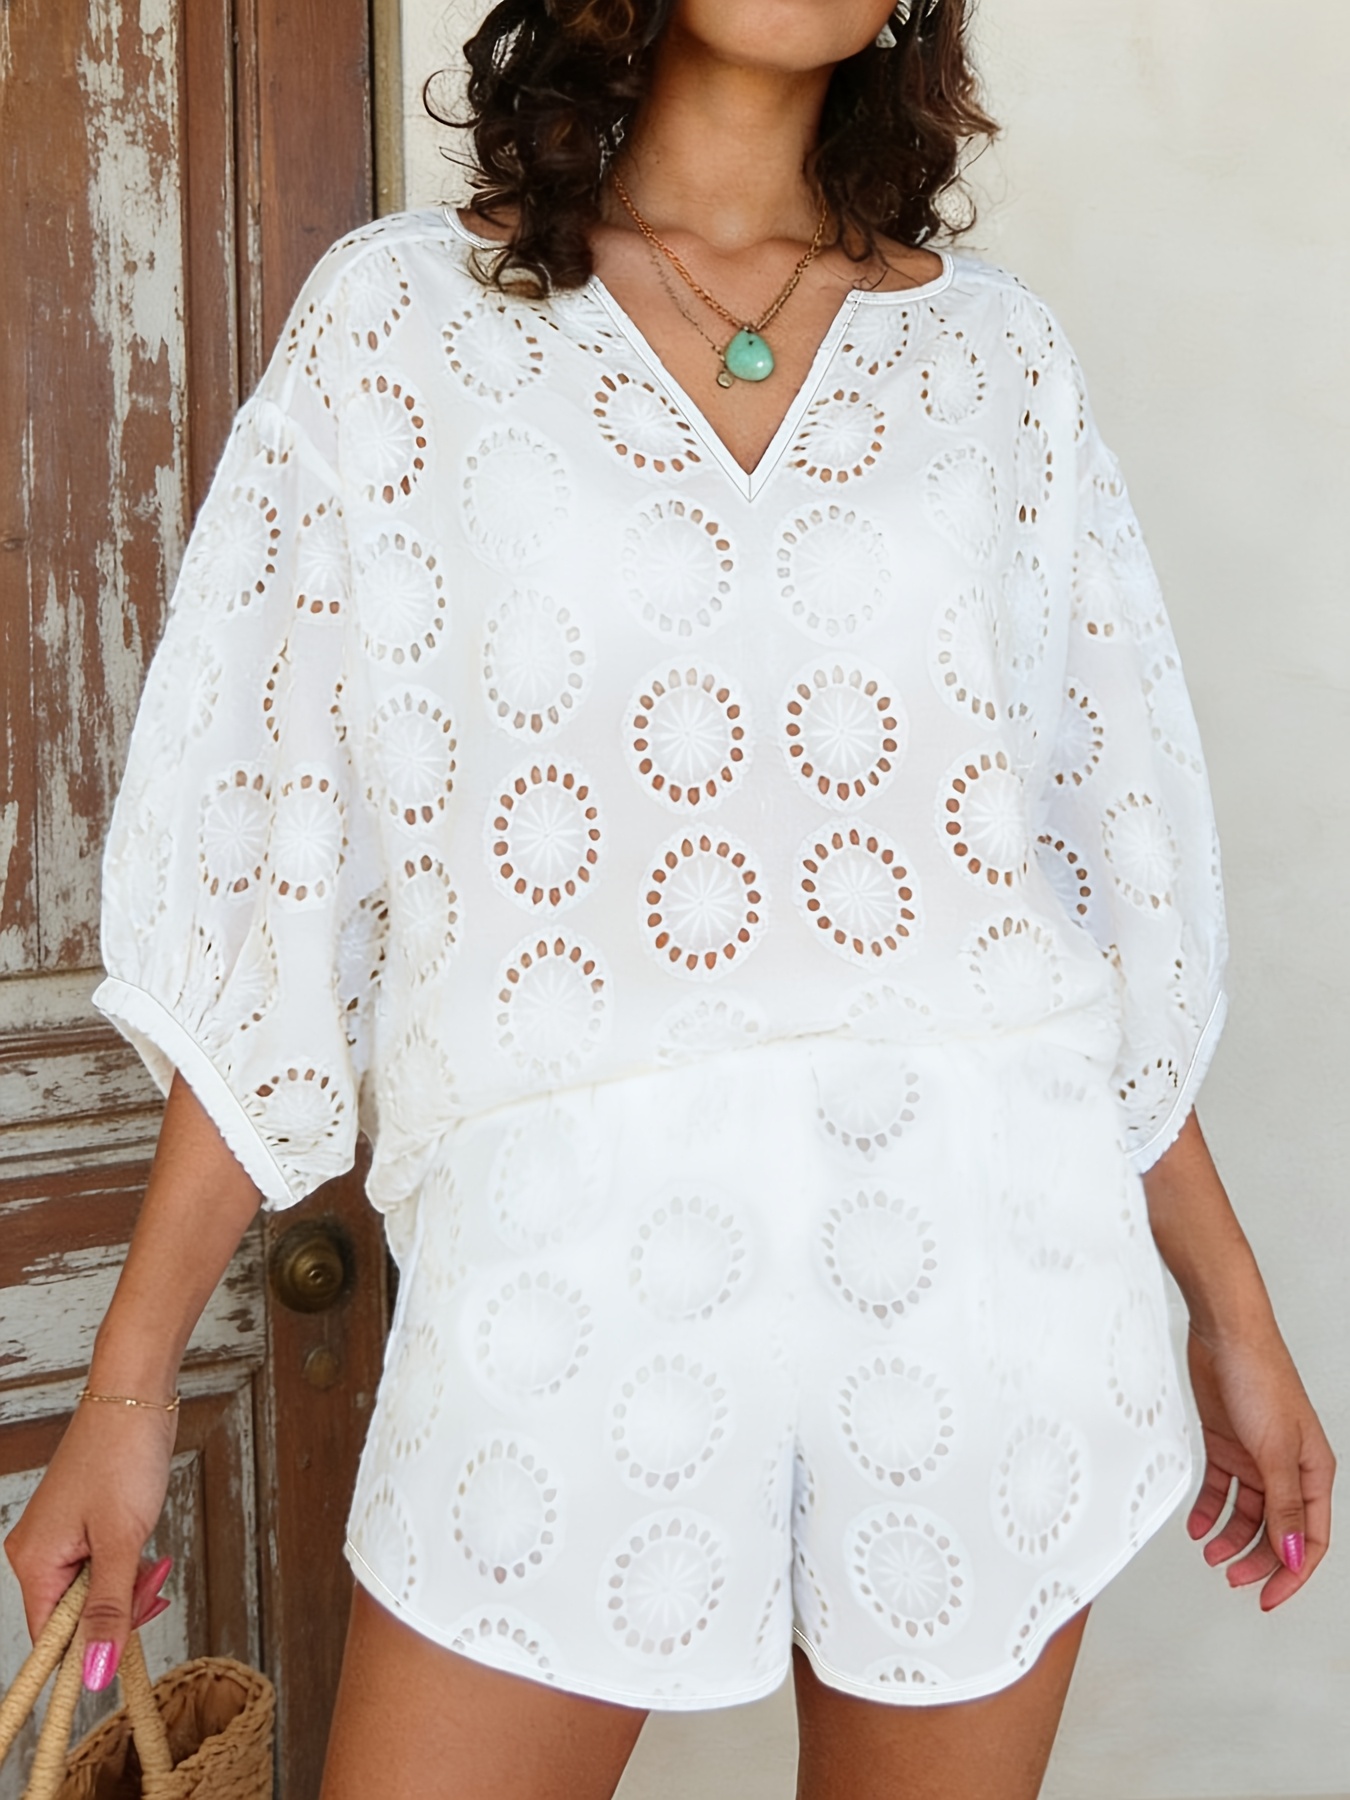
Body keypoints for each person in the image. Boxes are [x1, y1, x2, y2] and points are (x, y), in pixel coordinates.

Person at [5, 2, 1335, 1796]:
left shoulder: (996, 363)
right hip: (561, 1289)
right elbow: (277, 880)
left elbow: (1076, 898)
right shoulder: (399, 324)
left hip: (988, 1280)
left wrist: (1230, 1310)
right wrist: (129, 1386)